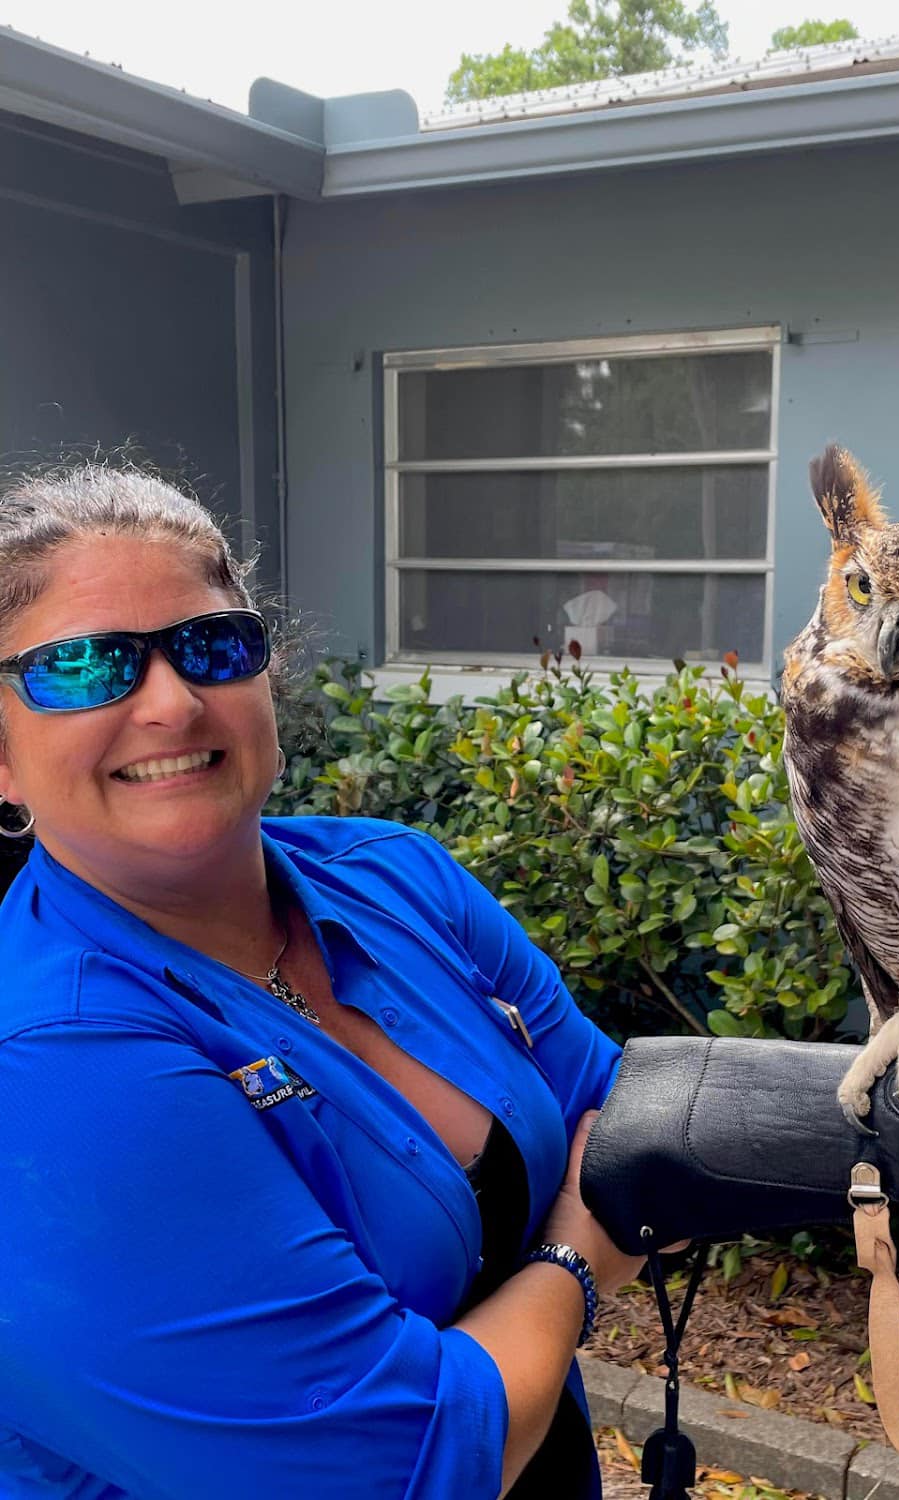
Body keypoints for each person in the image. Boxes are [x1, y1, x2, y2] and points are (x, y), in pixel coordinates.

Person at [0, 463, 651, 1500]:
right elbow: (394, 1465)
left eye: (213, 647)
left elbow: (611, 1108)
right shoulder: (46, 1063)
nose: (171, 702)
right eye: (83, 668)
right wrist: (576, 1260)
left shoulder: (394, 875)